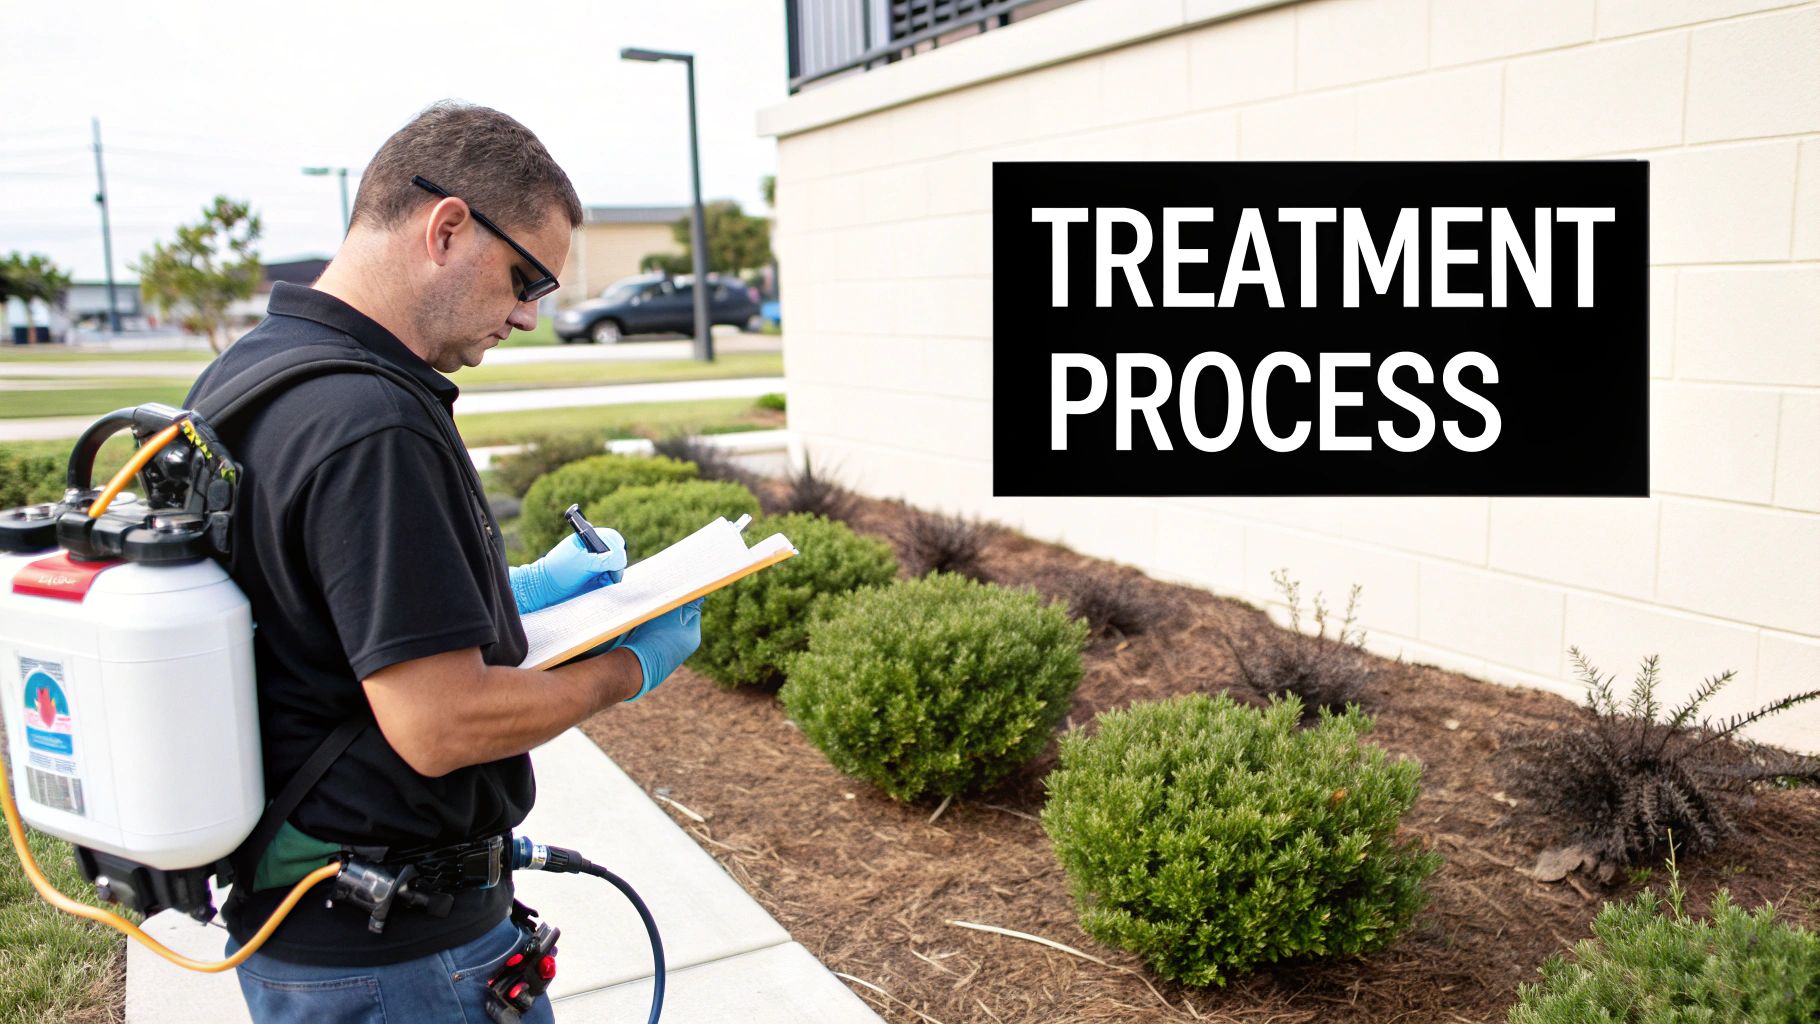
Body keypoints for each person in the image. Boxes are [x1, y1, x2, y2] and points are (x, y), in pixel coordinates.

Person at [184, 100, 703, 1023]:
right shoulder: (371, 422)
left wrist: (518, 593)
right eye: (525, 278)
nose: (529, 316)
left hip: (318, 933)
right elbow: (441, 724)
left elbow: (318, 616)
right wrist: (628, 668)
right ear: (448, 227)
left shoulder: (257, 371)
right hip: (403, 962)